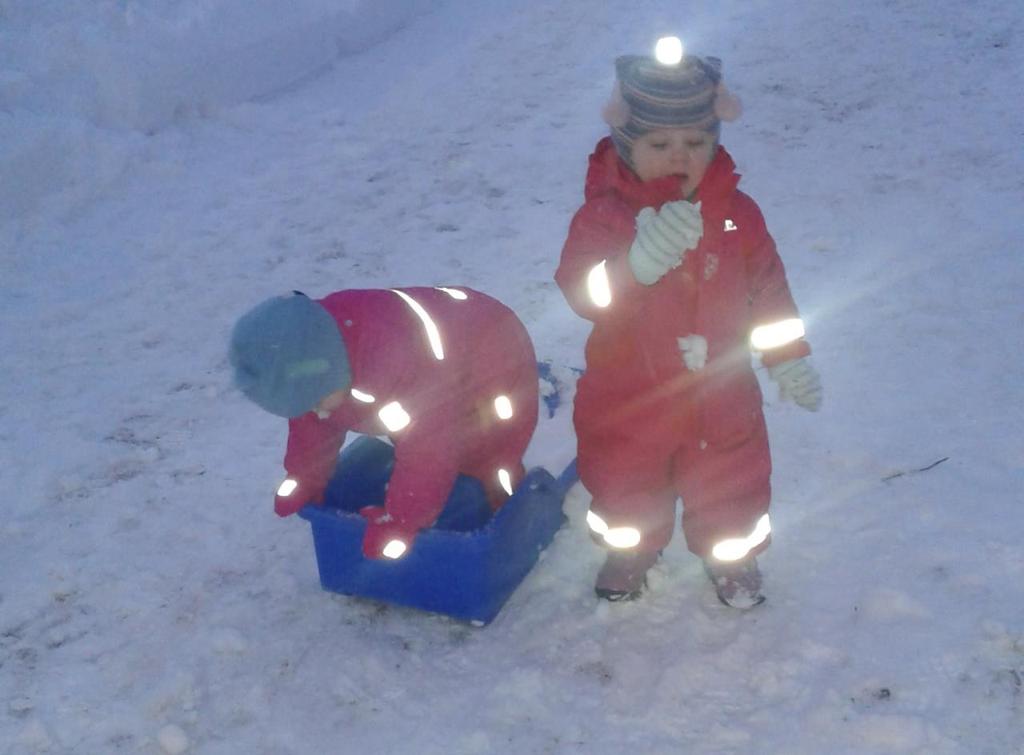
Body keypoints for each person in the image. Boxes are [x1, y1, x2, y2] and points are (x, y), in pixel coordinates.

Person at [554, 39, 822, 607]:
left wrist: (788, 355)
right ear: (627, 145)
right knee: (626, 483)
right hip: (628, 393)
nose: (680, 155)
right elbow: (582, 291)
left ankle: (731, 556)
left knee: (730, 485)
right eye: (660, 143)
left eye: (696, 141)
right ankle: (630, 549)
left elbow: (768, 291)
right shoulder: (604, 216)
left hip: (720, 390)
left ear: (715, 139)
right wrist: (632, 268)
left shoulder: (736, 216)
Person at [229, 287, 538, 560]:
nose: (316, 410)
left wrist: (402, 520)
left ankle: (507, 507)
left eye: (317, 399)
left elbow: (428, 452)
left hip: (492, 347)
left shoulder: (398, 369)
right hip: (439, 357)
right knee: (419, 428)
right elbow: (313, 427)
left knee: (488, 446)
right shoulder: (315, 352)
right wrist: (305, 477)